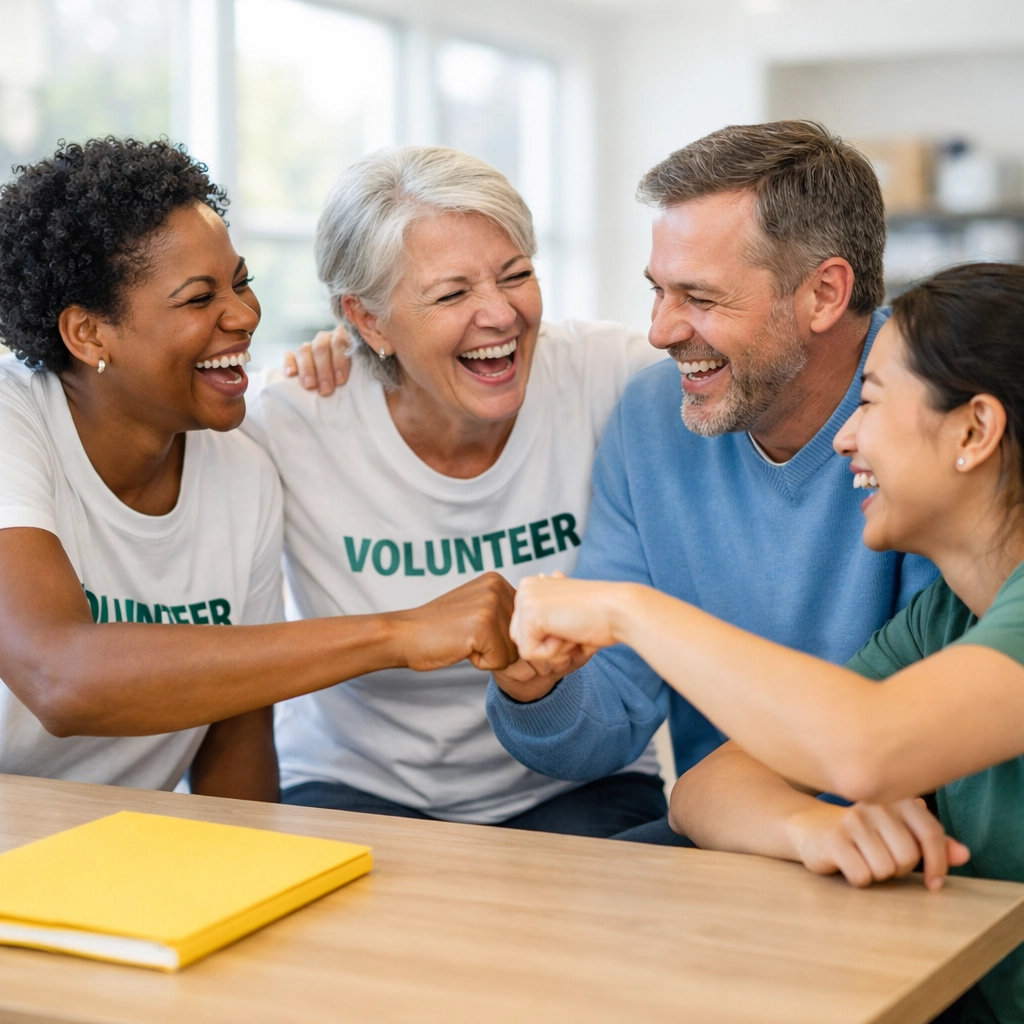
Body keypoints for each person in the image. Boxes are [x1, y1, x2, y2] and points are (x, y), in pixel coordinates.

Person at [509, 261, 1024, 1024]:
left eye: (872, 403)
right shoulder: (942, 619)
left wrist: (627, 611)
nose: (846, 436)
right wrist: (814, 827)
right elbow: (705, 792)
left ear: (974, 430)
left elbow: (866, 747)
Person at [0, 137, 522, 800]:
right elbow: (60, 678)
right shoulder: (12, 423)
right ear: (88, 334)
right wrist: (398, 634)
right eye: (198, 299)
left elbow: (237, 732)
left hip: (122, 852)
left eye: (241, 282)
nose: (244, 315)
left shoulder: (242, 469)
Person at [485, 121, 937, 842]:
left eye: (699, 296)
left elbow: (926, 723)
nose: (661, 331)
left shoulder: (934, 416)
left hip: (904, 838)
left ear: (824, 294)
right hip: (727, 826)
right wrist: (537, 684)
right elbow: (607, 719)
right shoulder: (650, 417)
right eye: (658, 292)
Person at [242, 145, 667, 834]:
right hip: (352, 783)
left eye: (516, 275)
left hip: (582, 783)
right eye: (452, 293)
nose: (500, 315)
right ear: (369, 320)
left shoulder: (606, 374)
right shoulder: (290, 420)